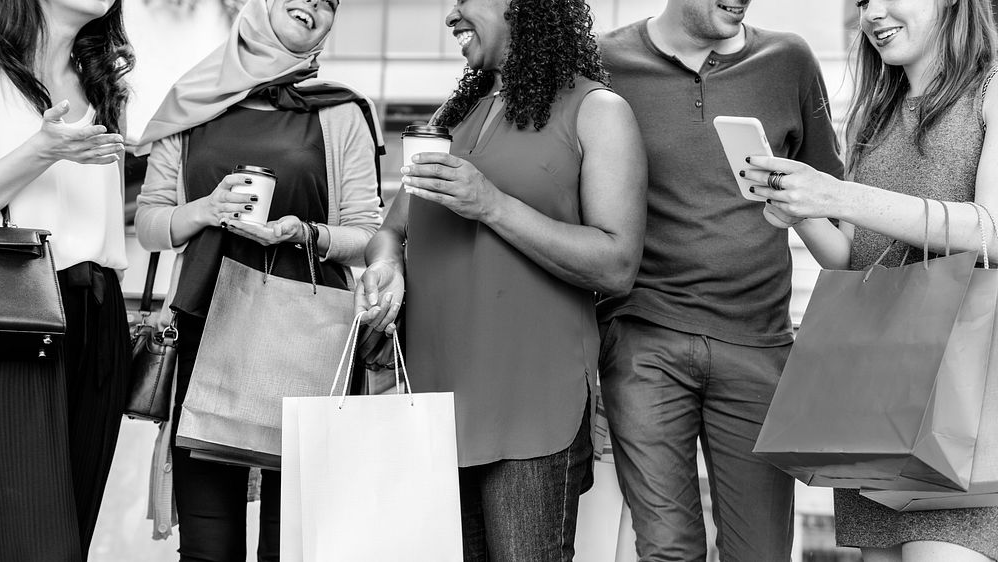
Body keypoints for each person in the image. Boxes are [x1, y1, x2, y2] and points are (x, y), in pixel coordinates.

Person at [355, 0, 646, 559]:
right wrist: (385, 266)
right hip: (434, 408)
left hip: (533, 408)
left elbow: (616, 262)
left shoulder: (597, 110)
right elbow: (391, 231)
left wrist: (491, 204)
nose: (450, 15)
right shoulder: (453, 118)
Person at [745, 0, 998, 560]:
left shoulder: (991, 90)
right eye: (860, 1)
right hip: (878, 411)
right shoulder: (874, 112)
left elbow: (992, 230)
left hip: (963, 404)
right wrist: (801, 209)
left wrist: (840, 195)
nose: (872, 13)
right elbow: (857, 262)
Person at [596, 1, 845, 560]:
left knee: (761, 553)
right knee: (667, 550)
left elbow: (834, 201)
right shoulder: (603, 62)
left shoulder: (790, 60)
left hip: (759, 344)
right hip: (644, 339)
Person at [134, 0, 383, 558]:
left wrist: (304, 232)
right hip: (203, 331)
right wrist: (205, 209)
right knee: (207, 545)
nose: (314, 6)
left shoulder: (342, 111)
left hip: (308, 336)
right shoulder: (192, 99)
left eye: (328, 4)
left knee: (289, 542)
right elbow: (150, 222)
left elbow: (369, 233)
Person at [0, 0, 133, 559]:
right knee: (24, 531)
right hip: (16, 312)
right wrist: (42, 150)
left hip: (99, 312)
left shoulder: (100, 81)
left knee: (72, 531)